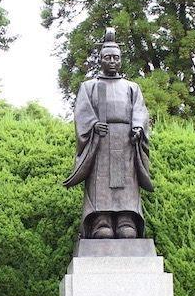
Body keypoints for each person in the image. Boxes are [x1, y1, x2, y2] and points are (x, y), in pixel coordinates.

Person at [64, 28, 153, 239]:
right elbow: (82, 112)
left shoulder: (132, 87)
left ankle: (126, 220)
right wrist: (94, 125)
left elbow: (140, 111)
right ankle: (100, 220)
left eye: (116, 58)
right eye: (107, 57)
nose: (112, 61)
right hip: (100, 141)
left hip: (126, 141)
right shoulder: (89, 86)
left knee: (127, 182)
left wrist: (138, 128)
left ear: (121, 60)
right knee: (100, 180)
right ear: (100, 60)